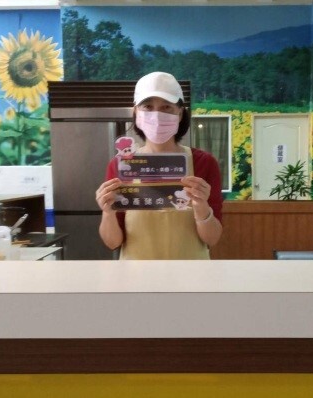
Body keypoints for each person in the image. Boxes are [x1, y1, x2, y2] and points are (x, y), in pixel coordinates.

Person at [96, 71, 223, 259]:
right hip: (137, 279)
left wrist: (201, 205)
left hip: (191, 279)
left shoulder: (204, 163)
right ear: (136, 113)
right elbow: (112, 242)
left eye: (166, 107)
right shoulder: (121, 166)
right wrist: (107, 211)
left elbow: (212, 239)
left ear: (180, 113)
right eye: (148, 107)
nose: (157, 115)